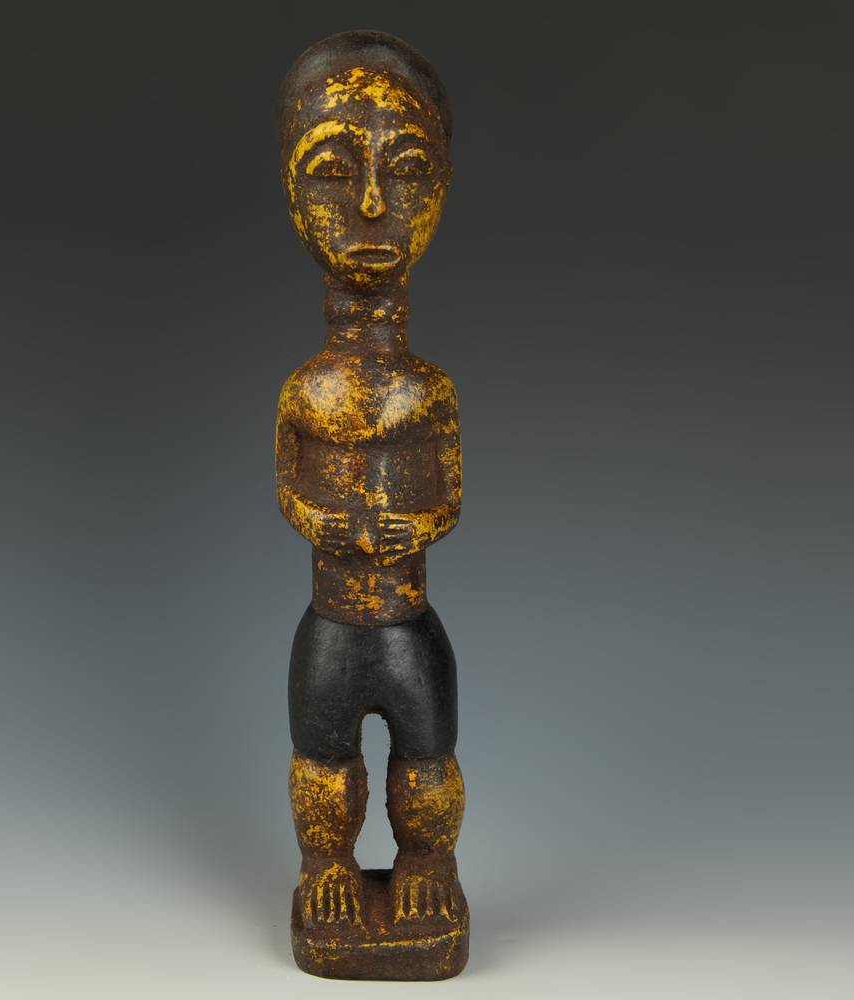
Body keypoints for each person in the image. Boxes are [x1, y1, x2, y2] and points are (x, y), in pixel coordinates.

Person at [276, 30, 467, 936]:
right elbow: (288, 490)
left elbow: (451, 497)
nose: (371, 205)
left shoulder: (428, 390)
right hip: (332, 621)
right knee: (320, 761)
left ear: (441, 186)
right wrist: (322, 519)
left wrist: (415, 525)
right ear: (291, 190)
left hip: (405, 619)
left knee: (428, 759)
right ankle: (325, 867)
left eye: (409, 167)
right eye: (331, 170)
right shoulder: (306, 391)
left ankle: (429, 863)